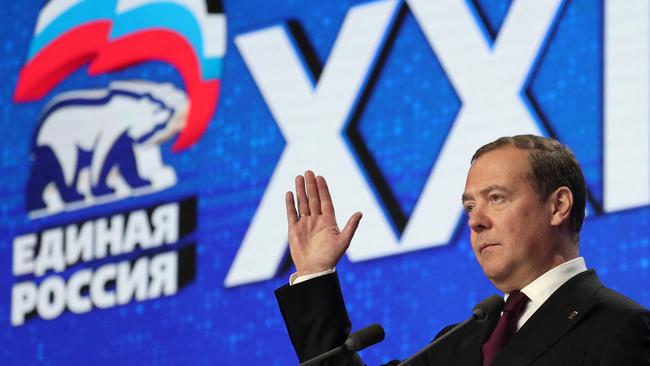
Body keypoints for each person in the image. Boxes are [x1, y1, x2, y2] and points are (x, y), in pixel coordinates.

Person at [274, 135, 650, 365]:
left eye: (497, 198)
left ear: (558, 206)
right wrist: (314, 275)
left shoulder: (620, 328)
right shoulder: (464, 339)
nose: (475, 221)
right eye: (470, 206)